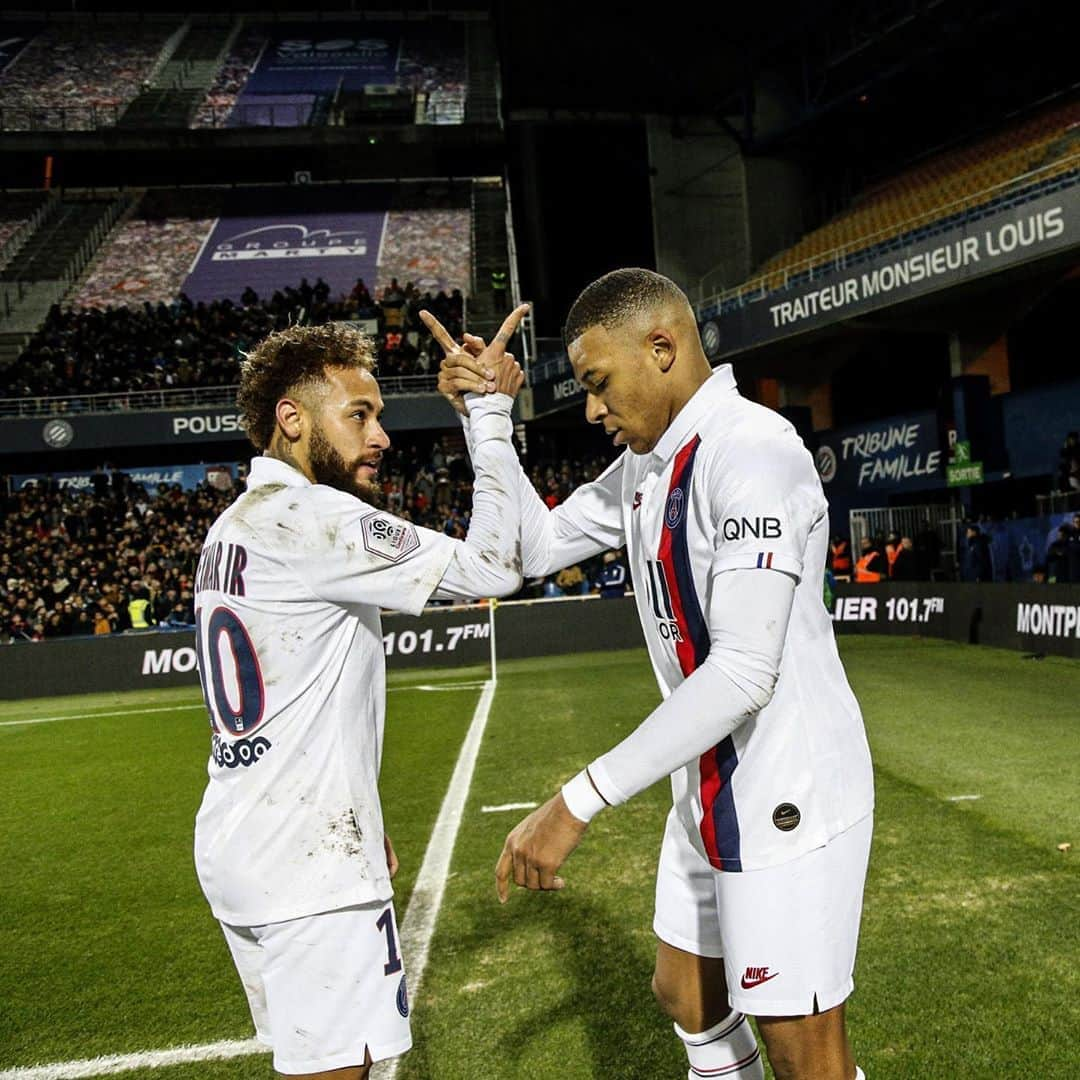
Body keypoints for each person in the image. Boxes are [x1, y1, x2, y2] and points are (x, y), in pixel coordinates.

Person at [427, 269, 873, 1080]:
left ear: (662, 348)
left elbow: (742, 671)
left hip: (787, 791)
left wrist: (575, 803)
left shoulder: (754, 452)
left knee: (801, 1048)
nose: (592, 410)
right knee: (687, 995)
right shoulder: (649, 463)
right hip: (706, 785)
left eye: (598, 383)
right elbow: (525, 553)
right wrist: (489, 418)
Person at [192, 309, 528, 1080]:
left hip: (244, 838)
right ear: (293, 419)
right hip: (309, 867)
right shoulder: (313, 518)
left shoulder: (230, 528)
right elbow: (495, 568)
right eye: (359, 415)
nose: (381, 436)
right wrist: (489, 416)